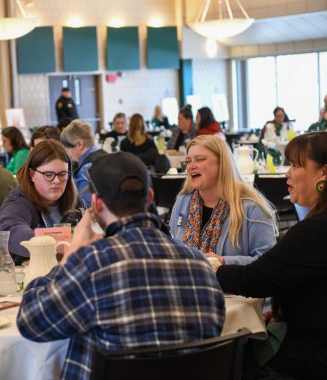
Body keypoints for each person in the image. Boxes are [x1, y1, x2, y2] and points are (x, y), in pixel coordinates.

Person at [17, 152, 225, 380]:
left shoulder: (93, 263)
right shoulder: (201, 266)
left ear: (96, 204)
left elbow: (30, 321)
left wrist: (71, 255)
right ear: (150, 198)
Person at [215, 132, 327, 379]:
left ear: (324, 173)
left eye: (296, 165)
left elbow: (254, 279)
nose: (287, 173)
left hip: (311, 358)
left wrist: (212, 268)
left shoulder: (316, 230)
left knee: (227, 360)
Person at [169, 135, 277, 265]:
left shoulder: (252, 207)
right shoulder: (183, 202)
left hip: (231, 284)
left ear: (222, 164)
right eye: (188, 161)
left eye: (200, 159)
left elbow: (269, 264)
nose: (191, 166)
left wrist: (224, 262)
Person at [0, 140, 79, 258]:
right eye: (48, 175)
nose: (57, 181)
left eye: (62, 174)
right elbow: (9, 232)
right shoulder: (18, 200)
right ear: (32, 174)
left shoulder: (74, 198)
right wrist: (58, 241)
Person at [61, 120, 107, 207]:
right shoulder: (107, 155)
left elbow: (87, 206)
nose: (67, 153)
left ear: (79, 144)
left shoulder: (84, 171)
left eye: (67, 148)